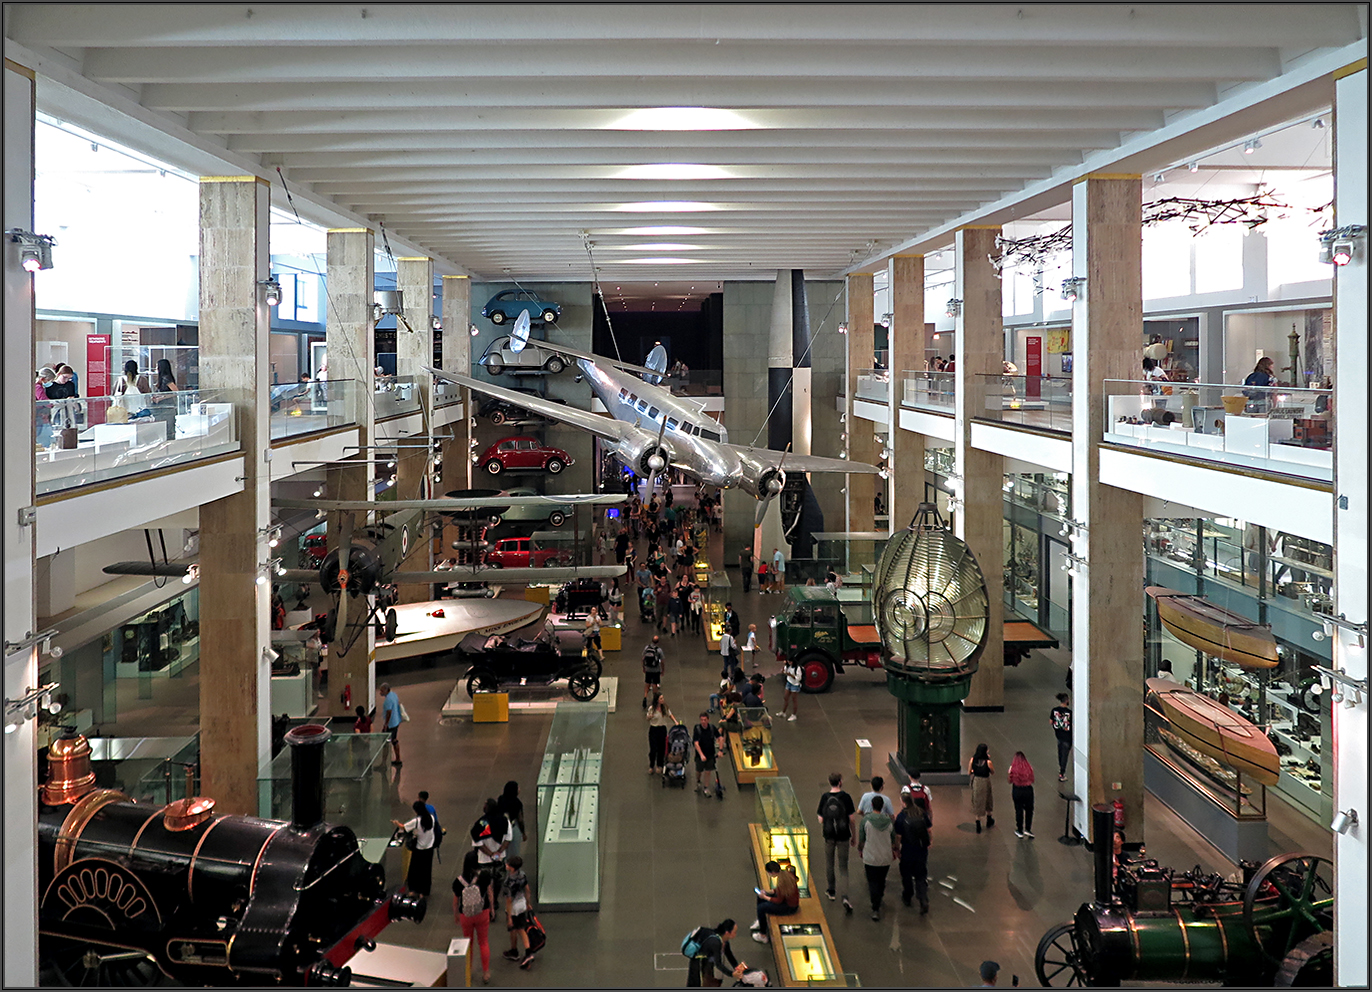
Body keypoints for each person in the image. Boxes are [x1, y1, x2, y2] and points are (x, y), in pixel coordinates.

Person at [454, 849, 496, 985]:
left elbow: (456, 901)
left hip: (465, 915)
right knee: (483, 942)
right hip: (482, 913)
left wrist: (456, 915)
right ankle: (486, 973)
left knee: (469, 944)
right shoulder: (484, 875)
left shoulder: (459, 881)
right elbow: (490, 893)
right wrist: (492, 908)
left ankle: (469, 971)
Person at [817, 772, 856, 913]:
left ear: (829, 782)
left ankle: (831, 891)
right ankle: (845, 896)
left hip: (829, 836)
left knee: (829, 863)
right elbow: (852, 819)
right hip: (843, 836)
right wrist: (854, 836)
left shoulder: (824, 798)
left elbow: (820, 819)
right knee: (843, 866)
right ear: (840, 782)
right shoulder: (846, 797)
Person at [857, 794, 897, 921]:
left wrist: (860, 849)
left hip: (870, 857)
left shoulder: (866, 821)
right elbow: (893, 839)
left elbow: (862, 839)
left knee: (872, 881)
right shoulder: (889, 822)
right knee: (881, 879)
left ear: (872, 805)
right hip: (885, 857)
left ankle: (875, 907)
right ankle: (879, 897)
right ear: (883, 806)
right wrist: (895, 850)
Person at [895, 787, 931, 914]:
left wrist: (896, 849)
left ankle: (908, 895)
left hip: (908, 850)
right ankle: (923, 899)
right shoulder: (921, 813)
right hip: (921, 850)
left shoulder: (901, 817)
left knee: (907, 874)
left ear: (903, 802)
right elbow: (928, 830)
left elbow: (898, 836)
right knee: (921, 875)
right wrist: (928, 842)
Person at [391, 799, 436, 896]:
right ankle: (425, 890)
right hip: (429, 848)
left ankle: (414, 889)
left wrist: (396, 823)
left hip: (419, 849)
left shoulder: (416, 821)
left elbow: (404, 827)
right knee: (426, 870)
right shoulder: (431, 818)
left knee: (415, 870)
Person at [750, 860, 800, 944]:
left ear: (772, 872)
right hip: (788, 901)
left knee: (761, 908)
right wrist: (768, 892)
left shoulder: (781, 882)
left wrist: (765, 897)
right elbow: (780, 891)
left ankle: (763, 935)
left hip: (789, 907)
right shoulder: (786, 874)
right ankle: (761, 920)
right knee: (761, 898)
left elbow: (778, 900)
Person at [500, 855, 536, 969]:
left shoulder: (508, 882)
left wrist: (509, 917)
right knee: (521, 928)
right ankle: (525, 951)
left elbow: (509, 900)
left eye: (508, 864)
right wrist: (528, 903)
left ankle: (517, 951)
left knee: (515, 929)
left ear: (511, 868)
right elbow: (528, 890)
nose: (506, 865)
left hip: (514, 908)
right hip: (522, 904)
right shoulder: (522, 875)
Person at [686, 919, 746, 987]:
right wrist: (732, 974)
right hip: (699, 962)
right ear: (727, 933)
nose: (736, 934)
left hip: (707, 961)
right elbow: (718, 964)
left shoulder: (724, 940)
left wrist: (737, 968)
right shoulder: (715, 943)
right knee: (698, 983)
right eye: (734, 932)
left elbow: (729, 955)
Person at [692, 711, 723, 798]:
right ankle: (698, 781)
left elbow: (720, 738)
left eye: (705, 720)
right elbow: (696, 743)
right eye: (701, 720)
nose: (703, 722)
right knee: (699, 770)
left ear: (708, 720)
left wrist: (720, 750)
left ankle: (706, 787)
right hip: (700, 756)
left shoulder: (712, 728)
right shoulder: (697, 729)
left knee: (708, 771)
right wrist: (701, 755)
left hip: (710, 754)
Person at [471, 798, 508, 867]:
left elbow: (478, 842)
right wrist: (498, 853)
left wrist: (491, 854)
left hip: (484, 860)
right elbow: (508, 839)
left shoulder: (480, 823)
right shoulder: (504, 820)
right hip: (500, 857)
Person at [646, 692, 677, 774]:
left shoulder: (664, 708)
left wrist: (675, 722)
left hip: (662, 729)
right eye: (661, 698)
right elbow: (647, 718)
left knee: (661, 748)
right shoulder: (652, 709)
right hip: (654, 729)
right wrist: (650, 717)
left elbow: (670, 715)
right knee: (653, 749)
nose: (663, 700)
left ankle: (659, 765)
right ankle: (651, 765)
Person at [1008, 751, 1035, 838]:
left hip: (1017, 790)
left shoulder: (1013, 768)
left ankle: (1019, 830)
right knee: (1029, 810)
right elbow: (1032, 779)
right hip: (1028, 790)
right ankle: (1028, 829)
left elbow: (1009, 781)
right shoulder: (1029, 767)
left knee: (1019, 810)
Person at [968, 743, 995, 833]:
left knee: (978, 801)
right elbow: (992, 772)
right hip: (985, 781)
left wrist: (974, 770)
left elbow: (969, 772)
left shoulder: (973, 760)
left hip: (976, 781)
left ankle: (978, 823)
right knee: (988, 799)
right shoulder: (988, 762)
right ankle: (989, 819)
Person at [496, 781, 525, 860]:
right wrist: (523, 833)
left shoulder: (501, 799)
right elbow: (520, 819)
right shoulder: (517, 803)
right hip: (512, 827)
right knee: (514, 850)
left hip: (500, 828)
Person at [378, 682, 403, 765]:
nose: (380, 692)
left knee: (385, 742)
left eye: (381, 691)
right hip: (396, 721)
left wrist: (385, 725)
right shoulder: (394, 694)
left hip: (391, 724)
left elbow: (389, 712)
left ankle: (383, 762)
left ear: (386, 690)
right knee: (394, 740)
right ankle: (398, 758)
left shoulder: (388, 700)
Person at [1050, 693, 1072, 782]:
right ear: (1067, 700)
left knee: (1060, 753)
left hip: (1059, 735)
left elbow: (1051, 721)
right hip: (1068, 737)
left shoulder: (1054, 710)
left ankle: (1061, 769)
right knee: (1065, 755)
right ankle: (1062, 773)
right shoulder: (1069, 713)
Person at [642, 634, 664, 708]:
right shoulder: (659, 650)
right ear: (658, 642)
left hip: (648, 669)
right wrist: (662, 670)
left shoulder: (647, 648)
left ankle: (645, 697)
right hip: (656, 670)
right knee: (654, 684)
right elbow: (662, 661)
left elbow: (643, 658)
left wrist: (643, 667)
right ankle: (655, 699)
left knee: (647, 683)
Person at [778, 654, 802, 722]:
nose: (789, 663)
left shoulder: (797, 668)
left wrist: (791, 675)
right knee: (786, 697)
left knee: (794, 700)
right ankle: (783, 712)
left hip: (795, 684)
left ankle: (794, 715)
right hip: (789, 683)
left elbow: (798, 678)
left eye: (790, 662)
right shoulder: (788, 666)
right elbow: (784, 672)